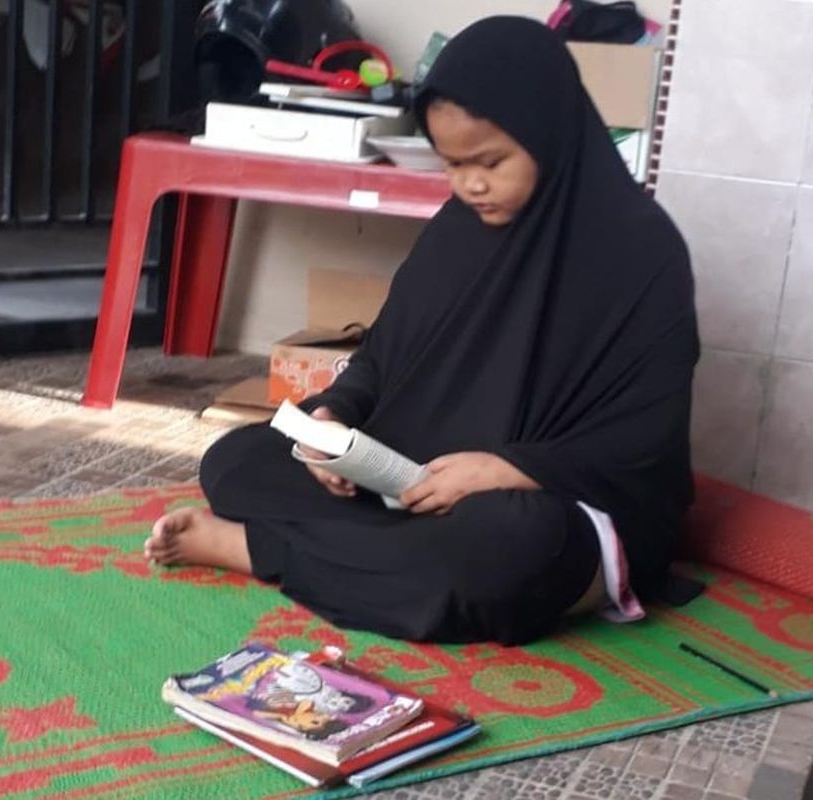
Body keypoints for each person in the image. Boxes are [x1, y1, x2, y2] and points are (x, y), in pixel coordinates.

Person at [143, 16, 699, 645]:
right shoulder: (459, 230)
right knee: (237, 459)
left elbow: (644, 443)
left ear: (552, 133)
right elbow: (383, 357)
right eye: (453, 165)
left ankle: (259, 550)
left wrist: (505, 470)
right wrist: (334, 419)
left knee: (510, 547)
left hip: (540, 502)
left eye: (491, 161)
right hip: (407, 485)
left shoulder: (638, 250)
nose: (471, 185)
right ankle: (370, 560)